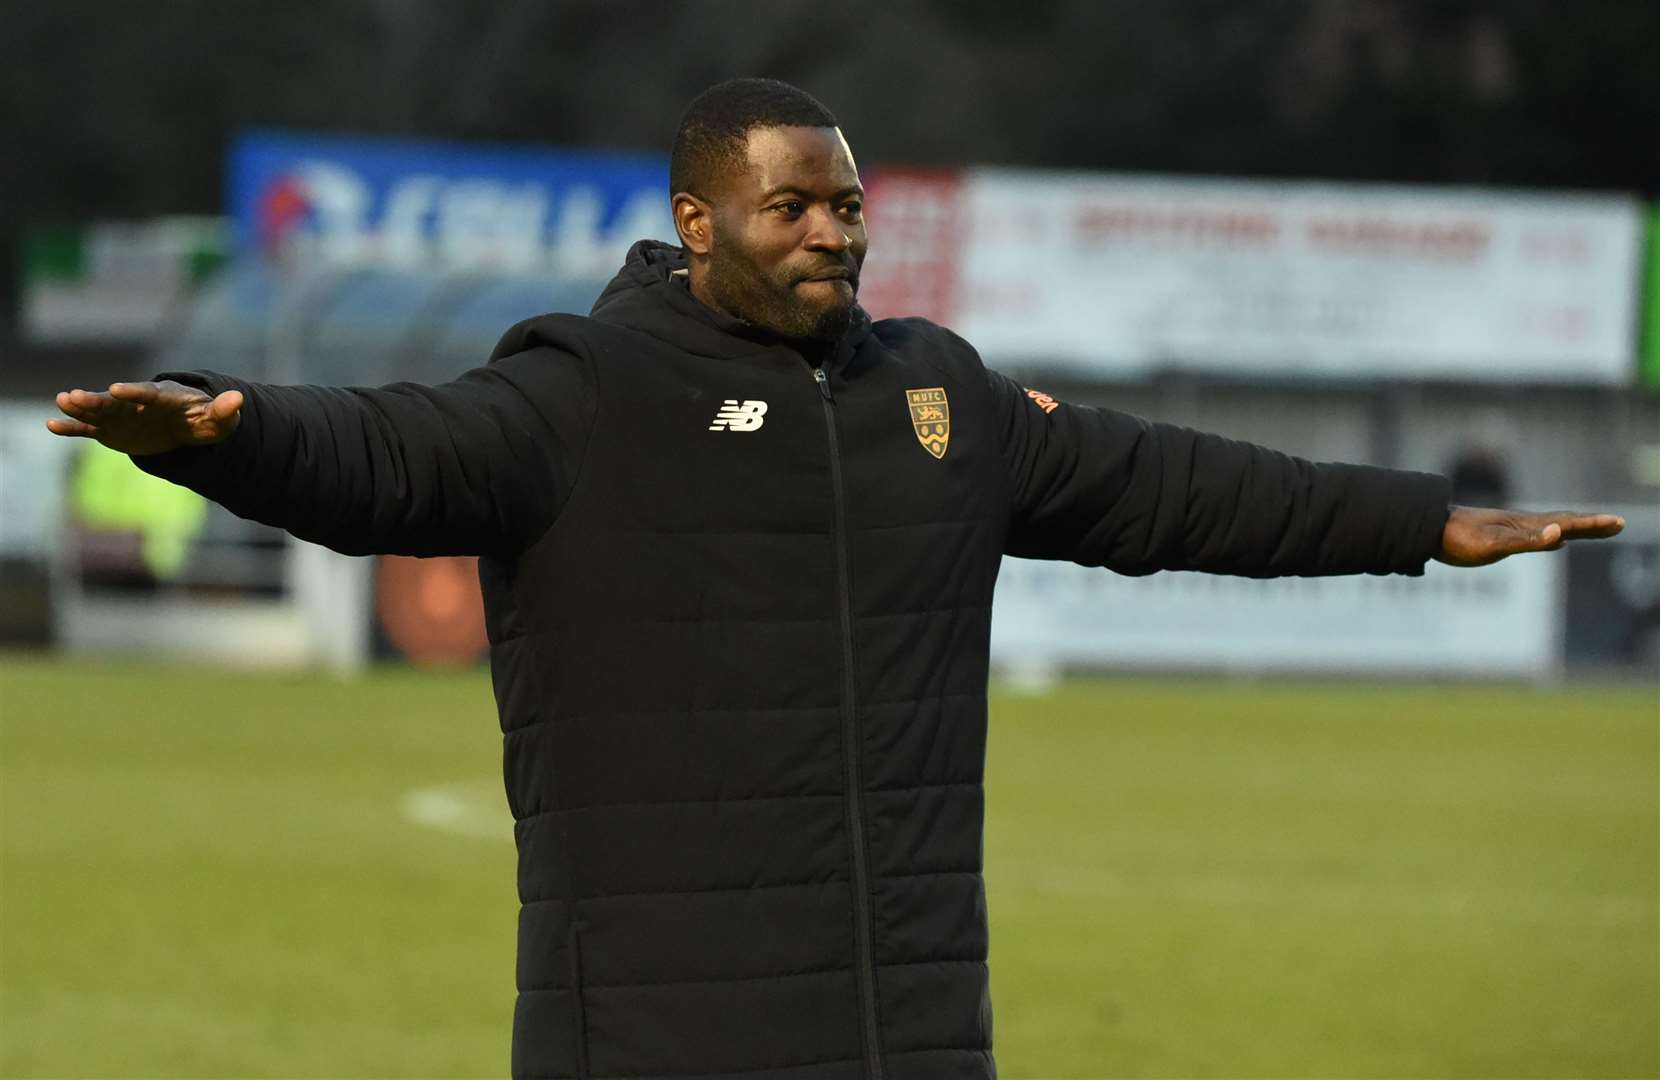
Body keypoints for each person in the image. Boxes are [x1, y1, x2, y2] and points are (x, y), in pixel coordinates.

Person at [47, 78, 1624, 1080]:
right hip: (661, 1034)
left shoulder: (938, 399)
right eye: (789, 205)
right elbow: (384, 455)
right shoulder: (585, 392)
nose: (832, 233)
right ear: (697, 222)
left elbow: (1175, 487)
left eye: (849, 204)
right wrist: (220, 436)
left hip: (914, 1028)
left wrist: (1420, 521)